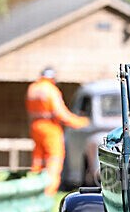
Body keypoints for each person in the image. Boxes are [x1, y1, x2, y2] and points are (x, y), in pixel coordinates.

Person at [25, 67, 89, 195]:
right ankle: (49, 192)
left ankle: (33, 191)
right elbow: (61, 114)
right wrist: (81, 122)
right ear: (52, 78)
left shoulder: (33, 88)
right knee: (54, 159)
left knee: (38, 160)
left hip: (36, 127)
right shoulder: (51, 90)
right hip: (50, 128)